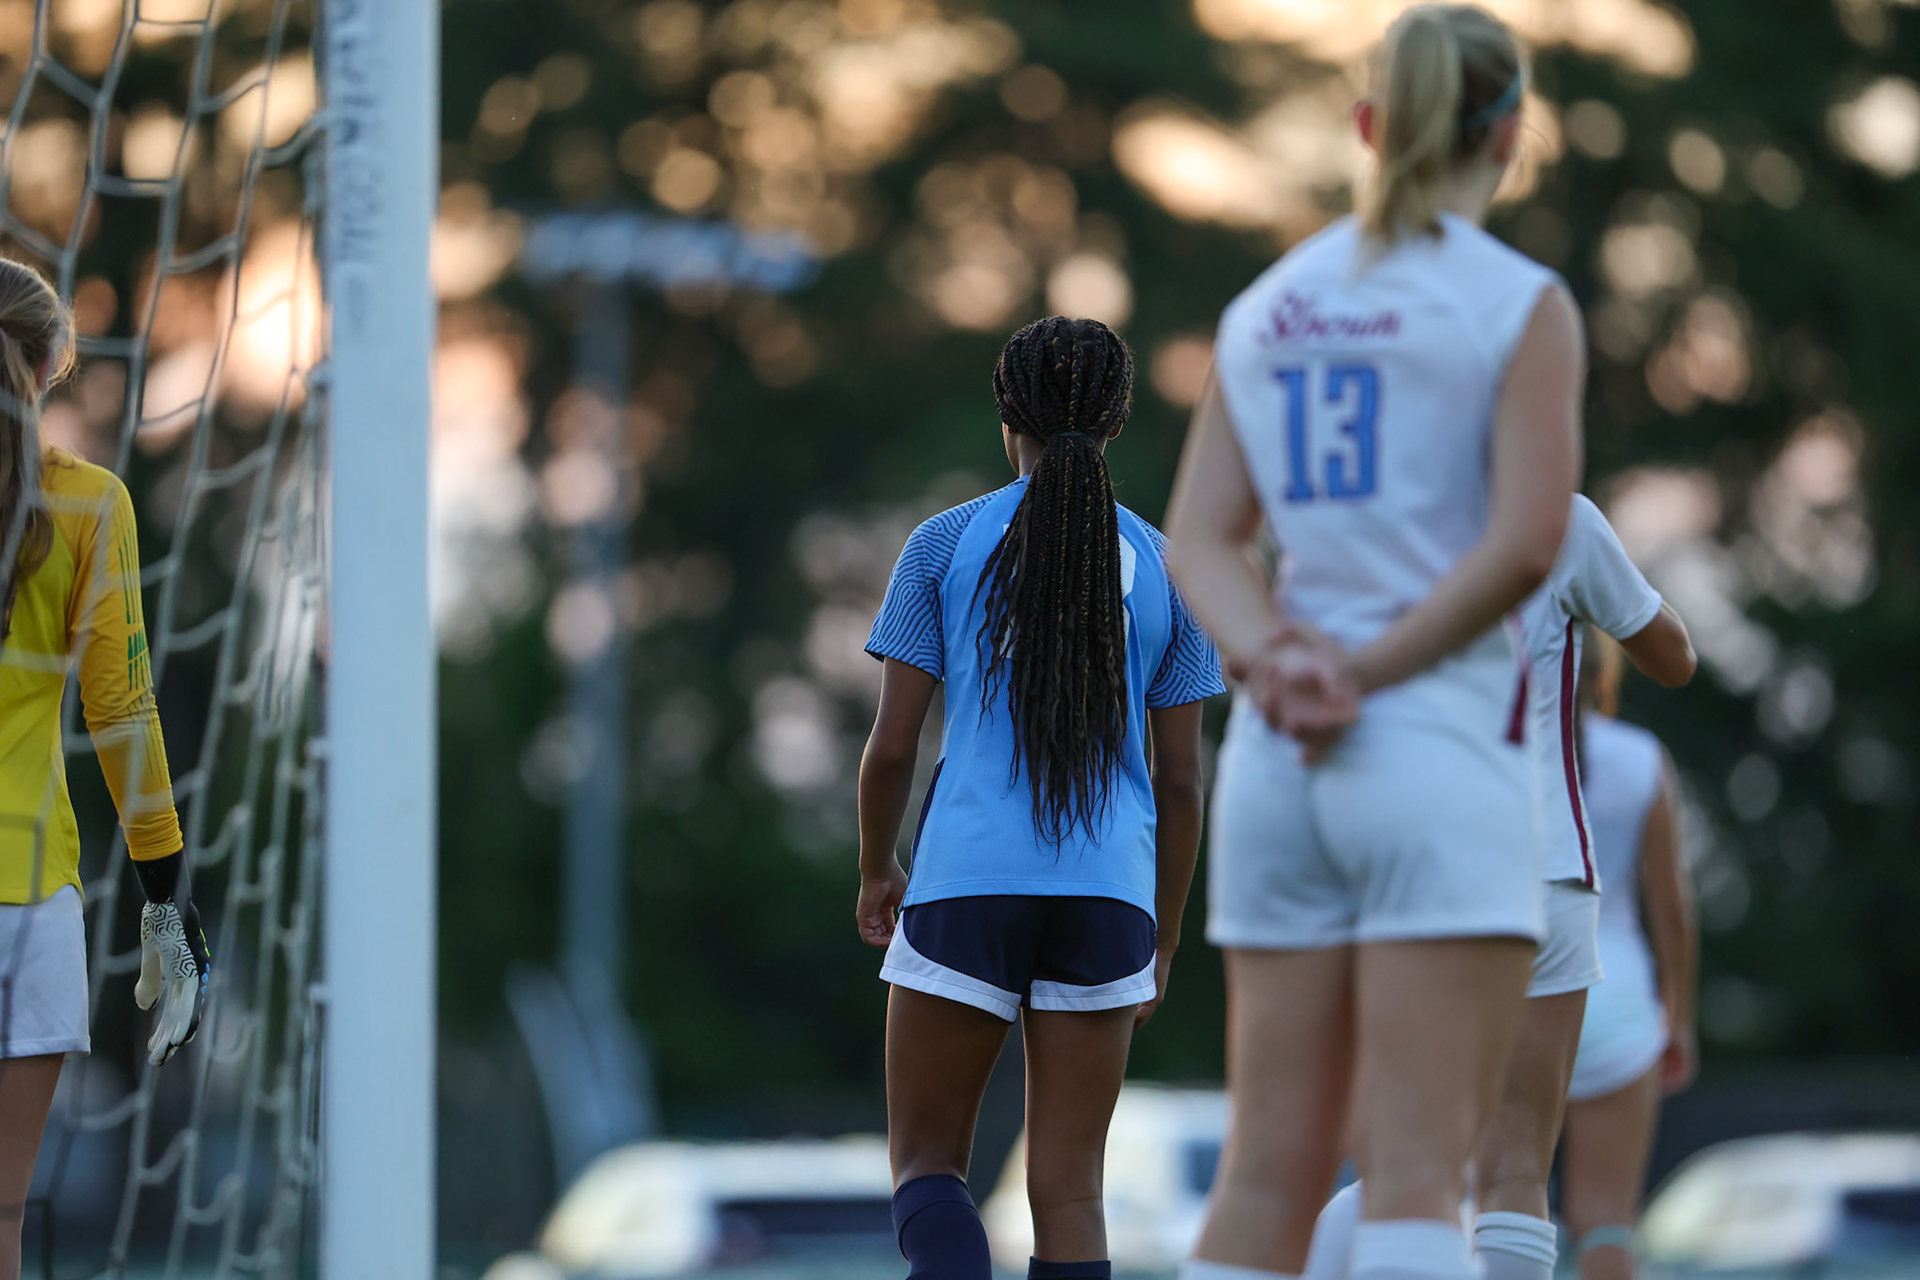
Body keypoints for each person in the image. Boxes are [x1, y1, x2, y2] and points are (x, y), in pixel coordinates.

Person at [1164, 7, 1583, 1279]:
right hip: (1435, 749)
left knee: (1260, 1183)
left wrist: (1277, 662)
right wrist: (1366, 673)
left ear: (1364, 127)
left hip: (1277, 770)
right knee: (1417, 1181)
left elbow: (1198, 538)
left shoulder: (1269, 304)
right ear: (1510, 130)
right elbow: (1524, 545)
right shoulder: (1517, 303)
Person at [857, 315, 1223, 1280]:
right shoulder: (1173, 567)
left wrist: (875, 867)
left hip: (966, 881)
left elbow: (892, 746)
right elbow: (1183, 781)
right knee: (1072, 1193)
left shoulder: (942, 544)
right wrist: (1166, 936)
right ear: (1116, 421)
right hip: (1111, 897)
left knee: (927, 1167)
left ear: (1004, 416)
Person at [1298, 496, 1696, 1280]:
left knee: (1410, 1164)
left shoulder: (1379, 511)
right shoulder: (1564, 519)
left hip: (1425, 874)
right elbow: (1676, 659)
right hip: (1553, 882)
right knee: (1525, 1174)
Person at [0, 259, 210, 1280]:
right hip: (30, 904)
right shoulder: (89, 506)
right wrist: (165, 898)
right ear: (47, 368)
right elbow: (120, 707)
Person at [1558, 638, 1697, 1280]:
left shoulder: (1506, 751)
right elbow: (1670, 909)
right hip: (1619, 999)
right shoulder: (1643, 759)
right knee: (1608, 1217)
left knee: (1504, 1190)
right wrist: (1679, 1019)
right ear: (1604, 674)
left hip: (1520, 983)